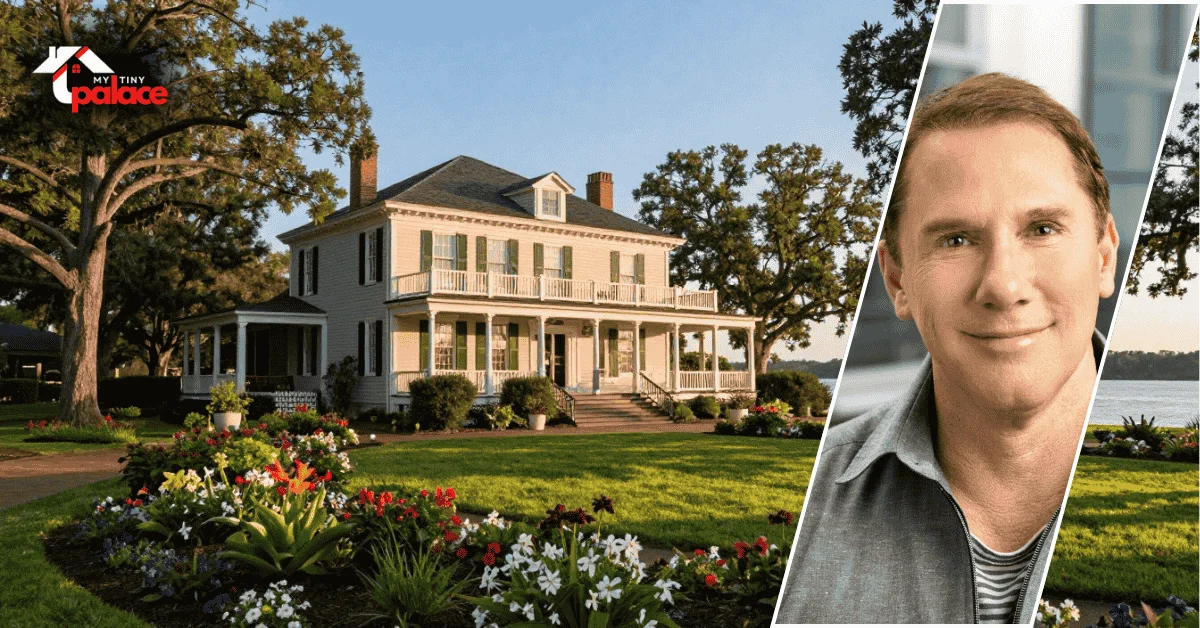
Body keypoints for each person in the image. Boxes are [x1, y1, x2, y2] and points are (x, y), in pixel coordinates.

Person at [774, 73, 1119, 624]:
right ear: (897, 279)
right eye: (955, 240)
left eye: (1042, 228)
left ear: (1103, 255)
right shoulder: (803, 518)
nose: (1004, 286)